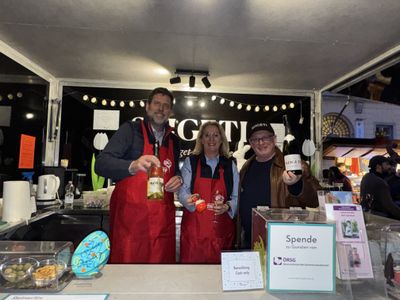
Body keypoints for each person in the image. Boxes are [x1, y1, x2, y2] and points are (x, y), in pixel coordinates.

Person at [95, 87, 183, 263]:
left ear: (171, 112)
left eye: (166, 106)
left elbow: (174, 171)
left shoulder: (174, 140)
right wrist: (133, 165)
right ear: (147, 106)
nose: (161, 109)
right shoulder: (130, 130)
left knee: (159, 277)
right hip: (131, 222)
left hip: (161, 224)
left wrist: (178, 178)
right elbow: (101, 164)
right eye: (157, 103)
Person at [238, 121, 319, 249]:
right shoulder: (246, 167)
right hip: (250, 241)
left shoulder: (294, 164)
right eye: (255, 139)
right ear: (251, 143)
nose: (261, 142)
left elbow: (315, 199)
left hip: (282, 242)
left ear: (274, 139)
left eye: (265, 137)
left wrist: (296, 185)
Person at [178, 121, 239, 263]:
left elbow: (236, 197)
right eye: (207, 135)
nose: (211, 139)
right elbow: (182, 192)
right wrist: (190, 199)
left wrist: (227, 206)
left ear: (221, 139)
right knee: (192, 277)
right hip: (194, 234)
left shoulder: (230, 165)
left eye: (216, 135)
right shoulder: (191, 162)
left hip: (221, 234)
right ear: (201, 139)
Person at [360, 155, 400, 219]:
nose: (389, 167)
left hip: (368, 216)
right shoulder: (379, 182)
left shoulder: (366, 177)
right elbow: (389, 207)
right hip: (380, 219)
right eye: (386, 164)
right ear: (378, 166)